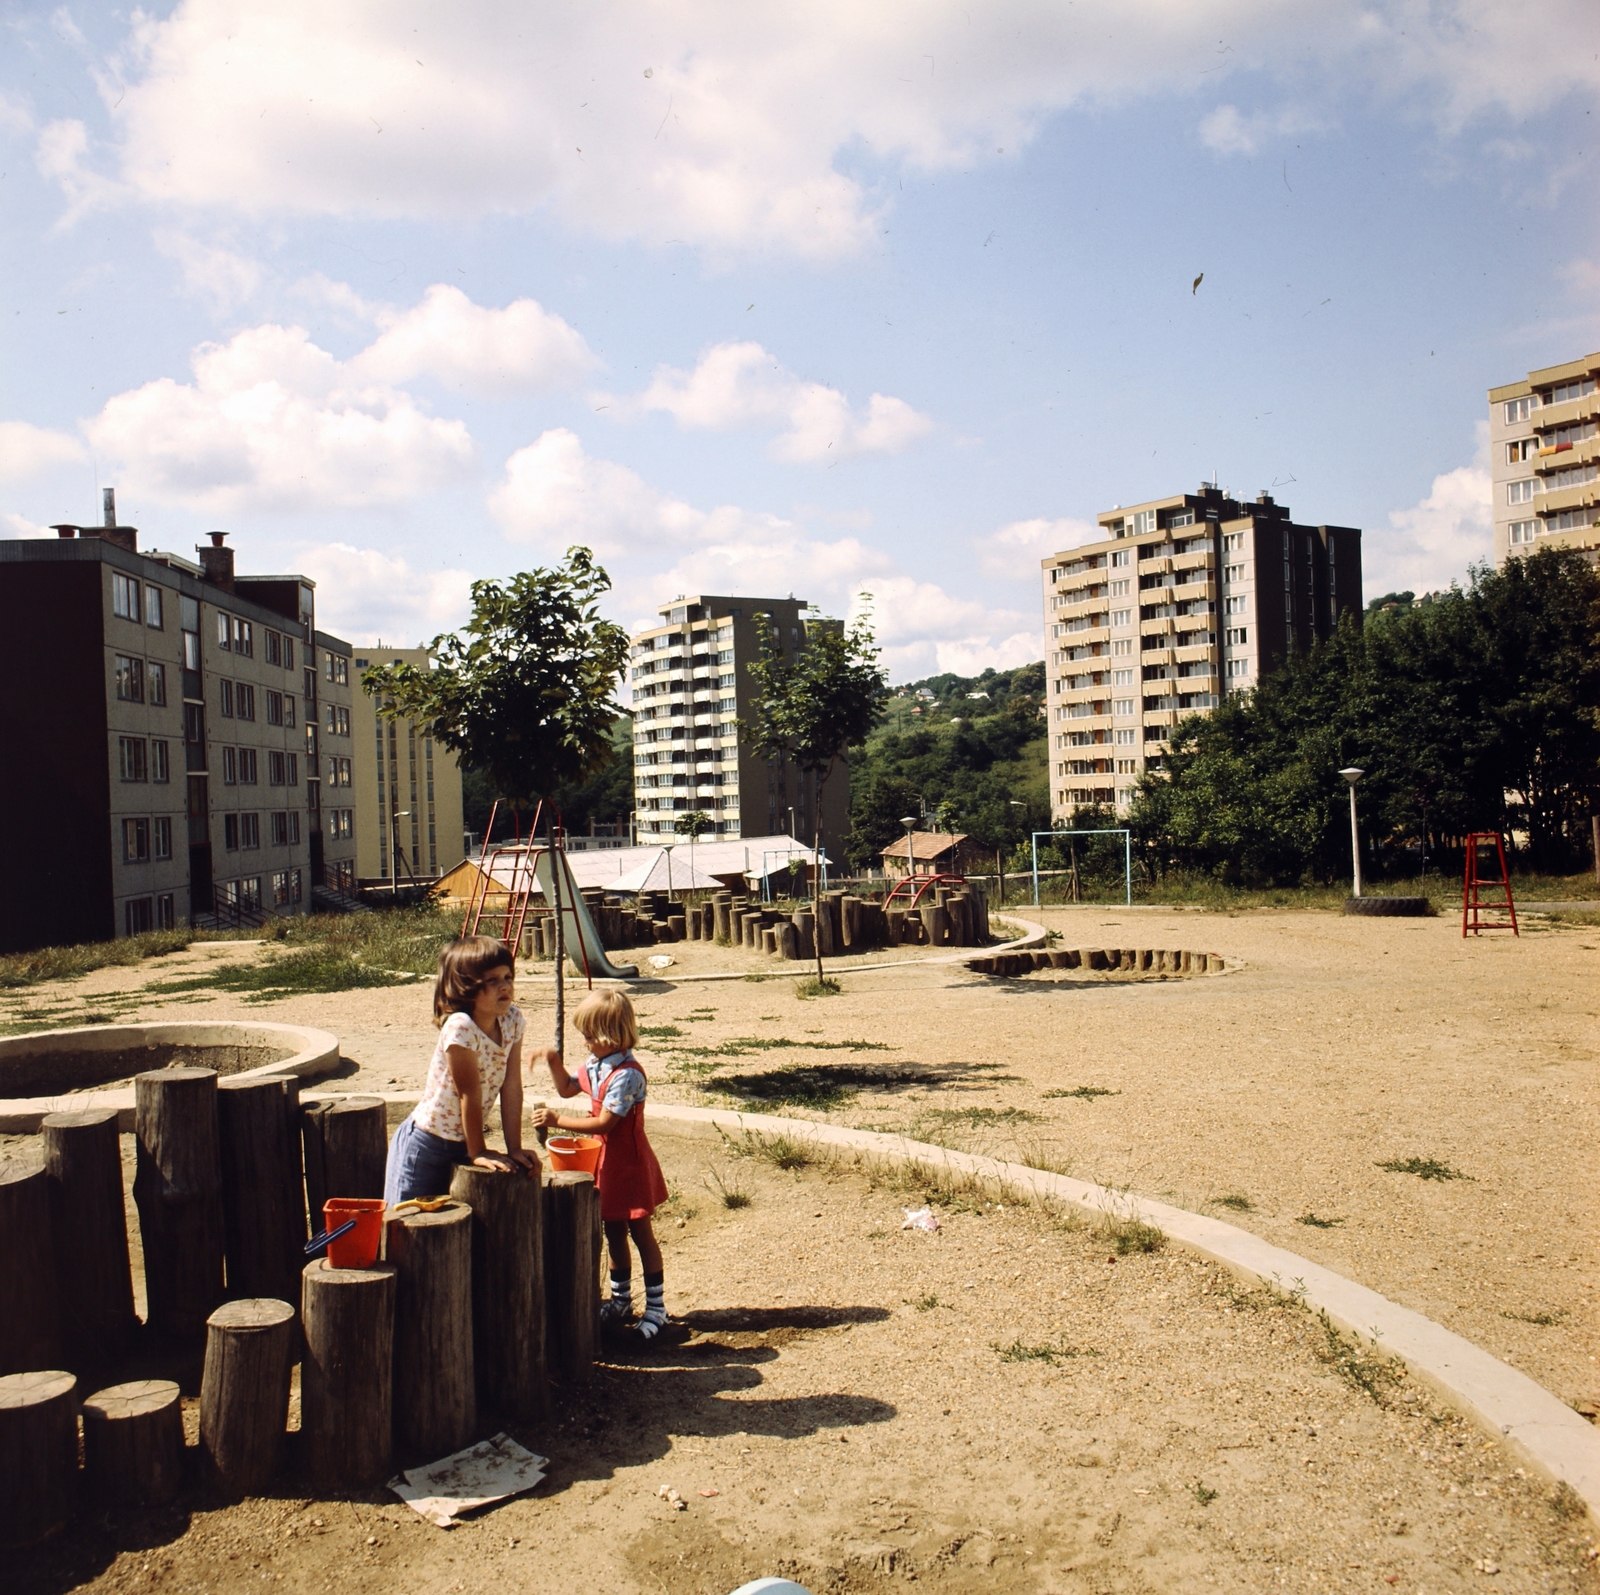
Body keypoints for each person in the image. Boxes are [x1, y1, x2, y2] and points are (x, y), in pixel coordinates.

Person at [532, 989, 670, 1338]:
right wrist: (552, 1060)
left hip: (629, 1164)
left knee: (640, 1232)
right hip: (605, 1162)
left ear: (612, 1035)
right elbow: (566, 1087)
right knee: (612, 1230)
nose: (586, 1043)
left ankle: (657, 1308)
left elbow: (605, 1123)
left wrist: (557, 1119)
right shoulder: (597, 1064)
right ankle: (621, 1298)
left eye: (591, 1036)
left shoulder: (627, 1074)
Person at [383, 936, 539, 1205]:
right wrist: (478, 1151)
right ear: (466, 987)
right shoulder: (461, 1027)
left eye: (508, 976)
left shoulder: (512, 1020)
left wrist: (514, 1148)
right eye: (492, 980)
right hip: (427, 1144)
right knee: (404, 1223)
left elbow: (512, 1085)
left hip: (462, 1142)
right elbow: (468, 1093)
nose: (505, 986)